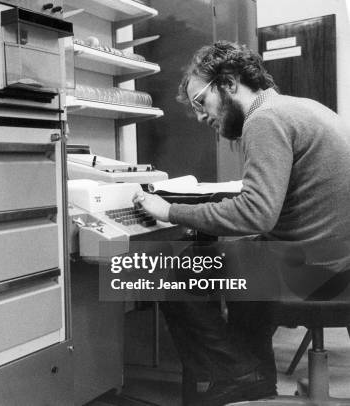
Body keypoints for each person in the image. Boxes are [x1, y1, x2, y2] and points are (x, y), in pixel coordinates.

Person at [133, 41, 350, 405]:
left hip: (315, 271)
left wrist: (168, 211)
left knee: (162, 266)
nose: (201, 117)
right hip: (337, 263)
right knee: (236, 255)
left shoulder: (264, 119)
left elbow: (257, 212)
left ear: (229, 83)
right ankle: (251, 376)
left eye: (201, 102)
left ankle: (234, 374)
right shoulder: (302, 107)